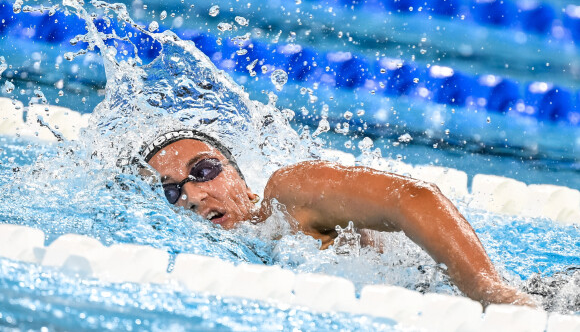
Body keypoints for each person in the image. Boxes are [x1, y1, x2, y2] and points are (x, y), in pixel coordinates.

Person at [140, 129, 535, 308]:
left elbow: (413, 199)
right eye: (171, 190)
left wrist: (490, 292)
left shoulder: (289, 198)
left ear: (243, 182)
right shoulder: (214, 264)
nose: (193, 194)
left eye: (204, 170)